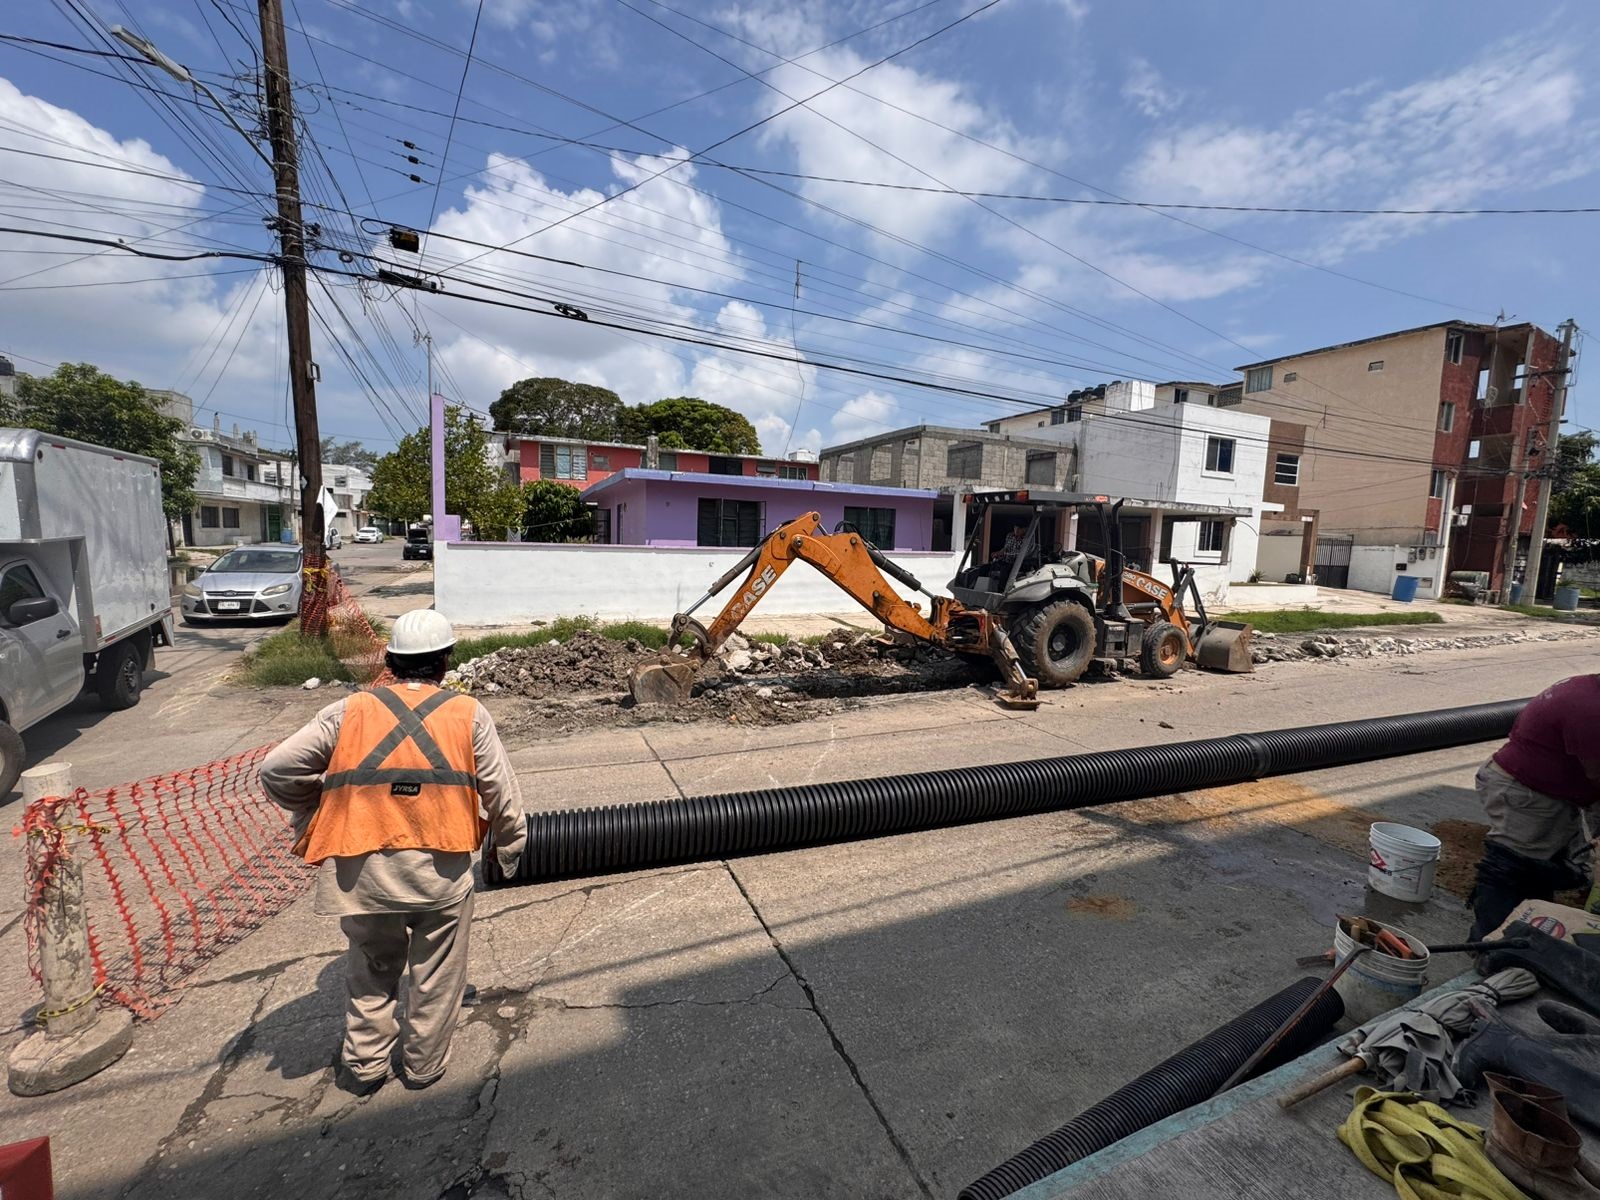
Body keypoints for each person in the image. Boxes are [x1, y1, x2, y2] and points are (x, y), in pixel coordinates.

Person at [261, 609, 526, 1095]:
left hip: (363, 873)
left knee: (371, 969)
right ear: (446, 661)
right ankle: (423, 1066)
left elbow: (276, 769)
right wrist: (509, 848)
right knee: (437, 976)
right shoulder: (468, 713)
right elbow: (502, 796)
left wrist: (317, 805)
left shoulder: (348, 711)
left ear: (391, 661)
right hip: (439, 875)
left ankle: (365, 1066)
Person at [1467, 674, 1600, 940]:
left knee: (1540, 869)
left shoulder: (1589, 688)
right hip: (1525, 793)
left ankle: (1531, 934)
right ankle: (1491, 944)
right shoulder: (1591, 709)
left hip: (1549, 792)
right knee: (1511, 868)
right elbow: (1597, 773)